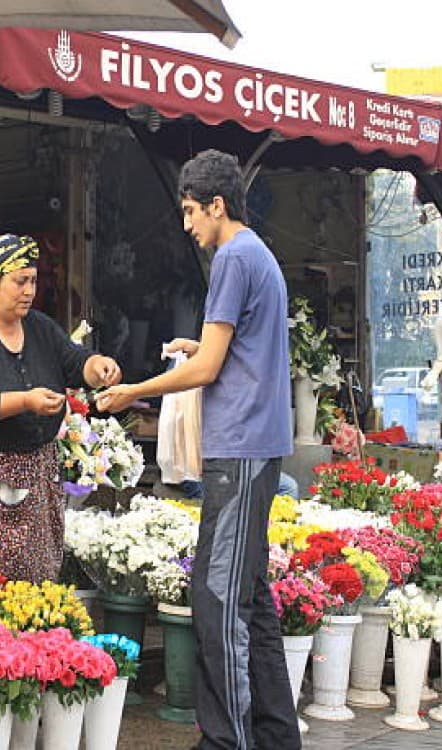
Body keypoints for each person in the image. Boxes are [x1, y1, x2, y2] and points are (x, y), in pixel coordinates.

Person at [97, 150, 300, 750]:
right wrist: (199, 346)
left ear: (217, 205)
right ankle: (273, 736)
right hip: (254, 446)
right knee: (250, 599)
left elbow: (209, 366)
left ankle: (227, 741)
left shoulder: (234, 258)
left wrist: (136, 389)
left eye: (190, 211)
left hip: (239, 451)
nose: (187, 225)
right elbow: (233, 349)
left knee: (217, 600)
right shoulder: (256, 254)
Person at [0, 233, 122, 583]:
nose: (29, 290)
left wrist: (98, 366)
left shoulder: (40, 327)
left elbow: (75, 360)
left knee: (34, 575)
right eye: (20, 281)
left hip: (35, 472)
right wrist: (25, 400)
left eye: (33, 281)